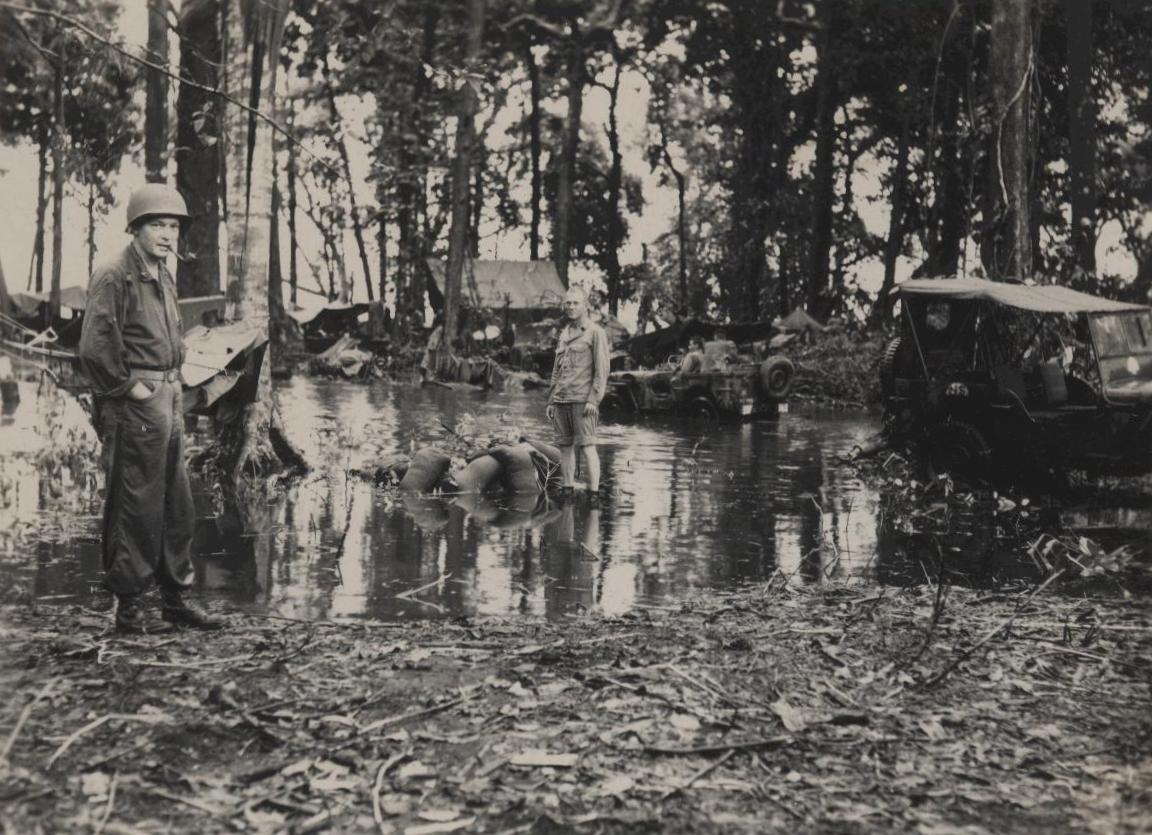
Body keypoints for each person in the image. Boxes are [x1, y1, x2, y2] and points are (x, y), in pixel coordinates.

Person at [78, 184, 222, 634]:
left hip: (169, 398)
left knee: (176, 503)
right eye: (157, 224)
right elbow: (95, 348)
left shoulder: (162, 273)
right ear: (136, 227)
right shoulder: (115, 274)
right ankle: (129, 607)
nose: (167, 234)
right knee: (135, 503)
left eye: (173, 226)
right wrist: (129, 388)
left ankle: (176, 598)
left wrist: (178, 380)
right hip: (136, 403)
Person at [546, 287, 610, 498]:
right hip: (561, 399)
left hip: (583, 400)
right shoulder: (564, 333)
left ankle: (593, 495)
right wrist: (551, 400)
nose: (571, 307)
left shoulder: (595, 332)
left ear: (585, 306)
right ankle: (568, 490)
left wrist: (594, 398)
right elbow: (557, 369)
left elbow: (602, 370)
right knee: (565, 447)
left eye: (576, 303)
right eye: (568, 303)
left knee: (587, 446)